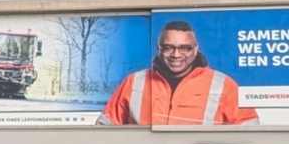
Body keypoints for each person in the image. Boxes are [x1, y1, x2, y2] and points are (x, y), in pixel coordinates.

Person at [100, 20, 257, 125]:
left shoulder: (223, 85)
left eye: (184, 48)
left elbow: (248, 130)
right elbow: (106, 129)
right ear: (158, 48)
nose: (176, 55)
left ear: (195, 49)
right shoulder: (134, 82)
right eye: (168, 48)